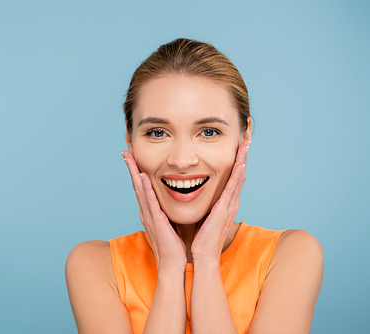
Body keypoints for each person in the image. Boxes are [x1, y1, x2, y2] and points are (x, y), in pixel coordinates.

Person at [65, 38, 324, 334]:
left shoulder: (290, 254)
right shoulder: (95, 265)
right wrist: (170, 270)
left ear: (245, 135)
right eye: (158, 132)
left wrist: (207, 261)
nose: (182, 160)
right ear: (130, 139)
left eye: (209, 131)